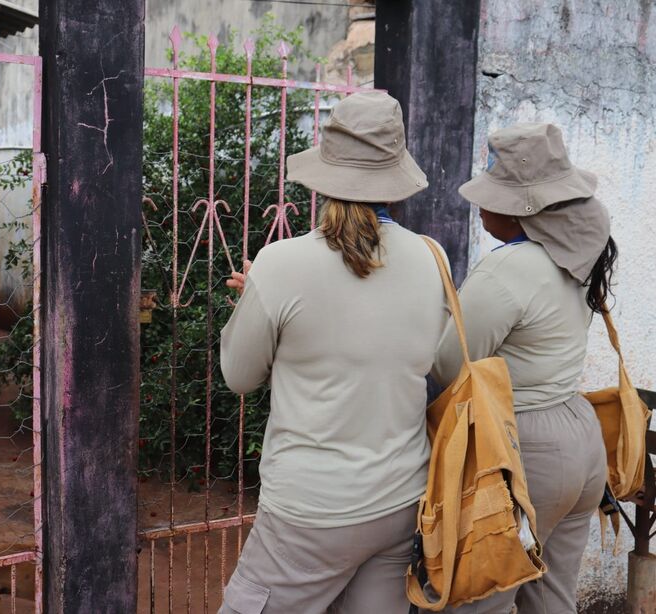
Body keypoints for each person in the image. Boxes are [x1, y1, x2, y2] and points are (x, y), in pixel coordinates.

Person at [218, 91, 448, 613]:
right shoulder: (433, 258)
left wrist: (263, 297)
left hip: (309, 513)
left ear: (324, 174)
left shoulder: (281, 264)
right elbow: (409, 351)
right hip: (400, 501)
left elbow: (239, 375)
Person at [432, 123, 612, 614]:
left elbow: (450, 366)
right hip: (580, 438)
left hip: (523, 448)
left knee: (478, 600)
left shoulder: (507, 267)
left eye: (492, 197)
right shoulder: (577, 253)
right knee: (551, 599)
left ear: (522, 209)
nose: (481, 206)